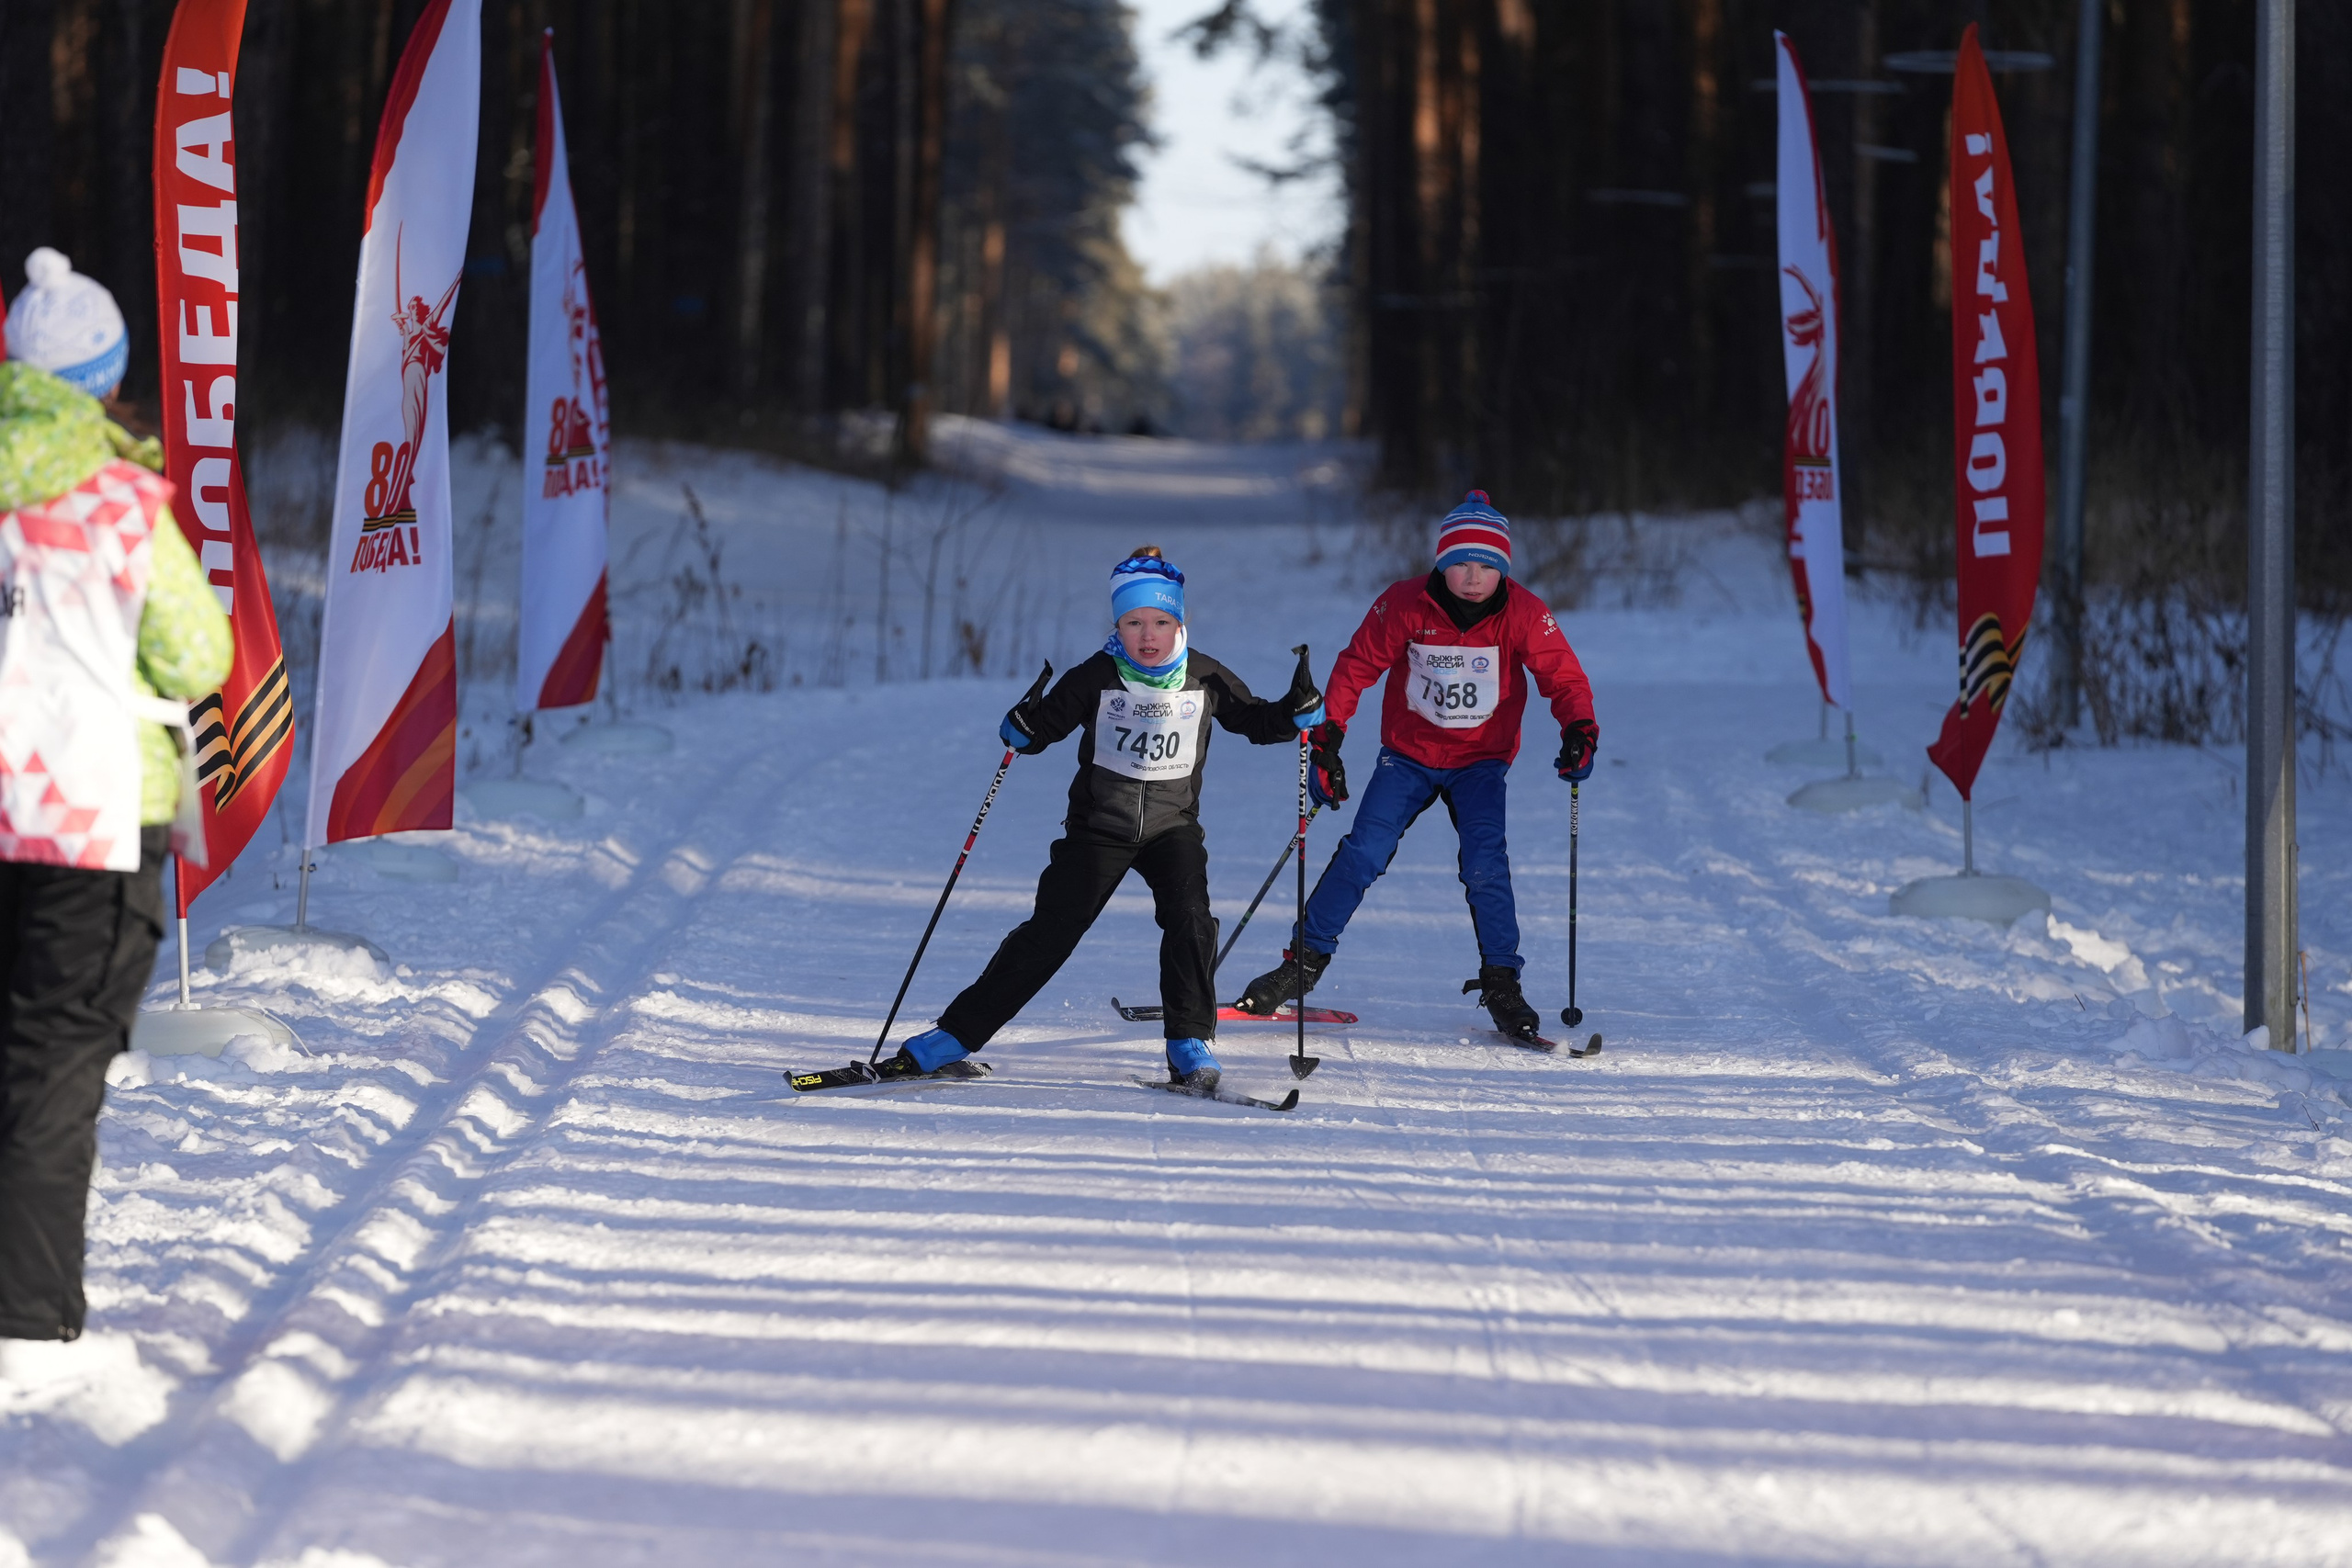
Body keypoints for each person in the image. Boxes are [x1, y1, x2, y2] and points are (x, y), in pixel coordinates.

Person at [1, 250, 232, 1342]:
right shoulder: (123, 501)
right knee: (53, 1067)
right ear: (106, 375)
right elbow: (196, 655)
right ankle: (29, 1328)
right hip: (88, 818)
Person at [889, 547, 1321, 1090]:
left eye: (1161, 622)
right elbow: (1039, 729)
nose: (1148, 634)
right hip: (1099, 828)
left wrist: (1295, 711)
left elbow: (1257, 721)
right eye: (1134, 622)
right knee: (1048, 933)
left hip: (1172, 827)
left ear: (1180, 623)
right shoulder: (1098, 674)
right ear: (1117, 623)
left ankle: (1189, 1042)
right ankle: (951, 1037)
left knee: (1190, 919)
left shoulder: (1204, 676)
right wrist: (1021, 726)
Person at [1234, 491, 1597, 1041]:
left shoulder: (1524, 612)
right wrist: (1328, 739)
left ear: (1503, 570)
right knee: (1362, 853)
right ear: (1441, 563)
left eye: (1486, 566)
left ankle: (1502, 981)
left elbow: (1563, 677)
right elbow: (1356, 667)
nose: (1473, 578)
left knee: (1485, 864)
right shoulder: (1404, 603)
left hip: (1480, 761)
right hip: (1408, 757)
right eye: (1460, 564)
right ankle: (1302, 963)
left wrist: (1579, 730)